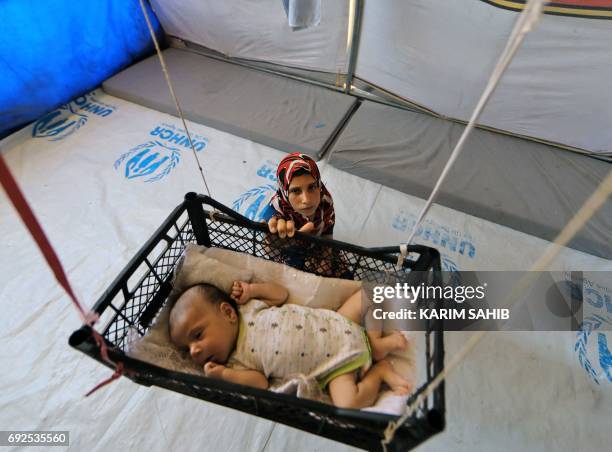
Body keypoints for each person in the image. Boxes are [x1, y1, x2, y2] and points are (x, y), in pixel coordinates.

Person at [169, 281, 412, 409]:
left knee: (371, 294)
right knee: (348, 402)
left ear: (227, 313)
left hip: (340, 320)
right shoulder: (236, 363)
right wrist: (224, 375)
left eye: (197, 335)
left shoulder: (249, 309)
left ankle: (376, 343)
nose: (194, 351)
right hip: (337, 365)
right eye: (186, 349)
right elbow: (260, 383)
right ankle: (379, 372)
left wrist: (253, 289)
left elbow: (280, 294)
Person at [262, 153, 335, 239]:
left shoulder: (326, 200)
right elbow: (268, 247)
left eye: (312, 187)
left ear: (319, 185)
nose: (306, 200)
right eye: (295, 191)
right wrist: (275, 245)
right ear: (285, 192)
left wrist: (326, 250)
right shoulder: (274, 213)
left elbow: (328, 230)